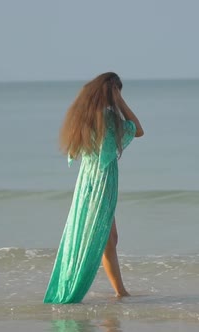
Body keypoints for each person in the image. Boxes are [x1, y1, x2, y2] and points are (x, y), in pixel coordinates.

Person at [43, 72, 144, 304]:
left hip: (91, 182)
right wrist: (120, 102)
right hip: (100, 183)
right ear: (111, 92)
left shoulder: (88, 116)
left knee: (112, 237)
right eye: (117, 91)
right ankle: (120, 293)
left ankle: (119, 290)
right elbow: (138, 130)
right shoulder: (106, 118)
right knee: (106, 239)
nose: (117, 97)